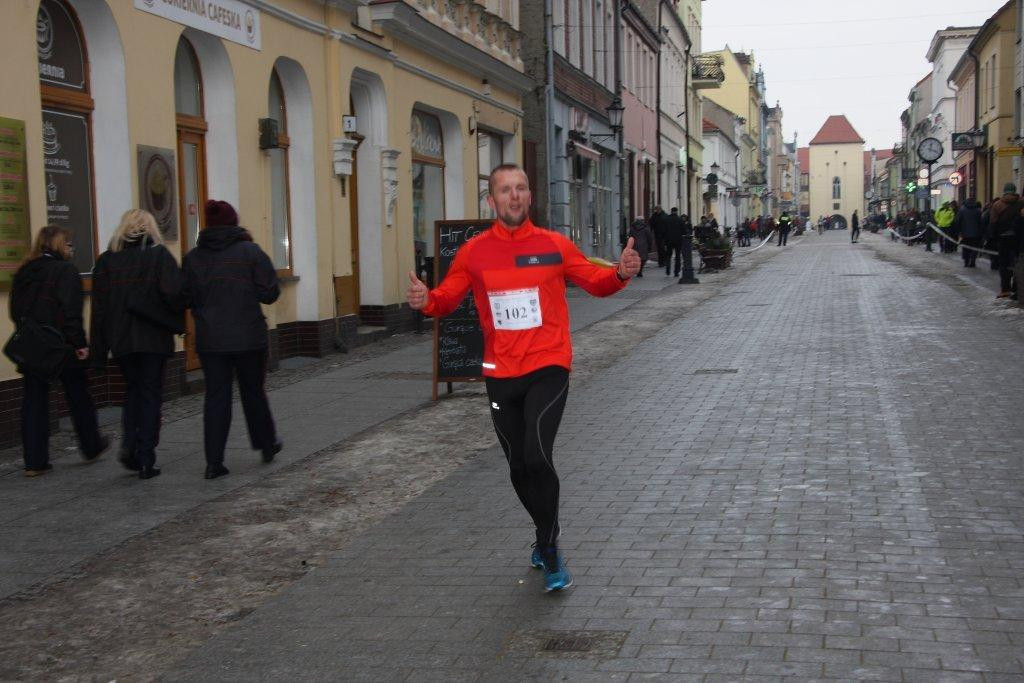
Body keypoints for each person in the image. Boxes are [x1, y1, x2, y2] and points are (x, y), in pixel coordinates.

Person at [406, 164, 640, 592]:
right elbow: (447, 298)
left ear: (530, 196)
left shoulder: (553, 245)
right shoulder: (473, 253)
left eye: (520, 188)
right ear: (491, 201)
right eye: (504, 190)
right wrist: (427, 300)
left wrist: (621, 272)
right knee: (517, 465)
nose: (513, 196)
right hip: (501, 372)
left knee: (536, 455)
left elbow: (595, 281)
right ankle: (543, 530)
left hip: (548, 365)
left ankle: (550, 548)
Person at [183, 200, 283, 479]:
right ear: (234, 222)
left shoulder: (193, 258)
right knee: (253, 392)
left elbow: (185, 297)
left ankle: (214, 461)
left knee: (216, 396)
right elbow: (269, 293)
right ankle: (266, 444)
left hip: (211, 339)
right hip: (249, 337)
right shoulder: (250, 252)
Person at [91, 209, 184, 479]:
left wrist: (98, 352)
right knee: (150, 394)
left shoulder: (106, 261)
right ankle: (145, 457)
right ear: (151, 228)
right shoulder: (159, 256)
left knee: (132, 391)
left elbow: (99, 310)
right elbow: (175, 295)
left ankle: (129, 446)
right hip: (153, 338)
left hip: (121, 340)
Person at [9, 225, 109, 476]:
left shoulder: (24, 271)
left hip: (33, 345)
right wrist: (80, 344)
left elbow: (15, 309)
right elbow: (70, 312)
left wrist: (29, 331)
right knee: (78, 395)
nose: (70, 248)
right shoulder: (65, 271)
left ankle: (34, 461)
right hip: (61, 344)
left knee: (34, 399)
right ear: (58, 245)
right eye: (68, 244)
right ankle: (91, 445)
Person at [988, 182, 1024, 298]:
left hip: (1003, 238)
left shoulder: (997, 205)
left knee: (1004, 264)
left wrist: (992, 238)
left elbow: (993, 223)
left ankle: (1005, 289)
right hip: (1018, 238)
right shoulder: (1021, 203)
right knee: (1018, 263)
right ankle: (1016, 288)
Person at [956, 198, 984, 268]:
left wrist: (959, 231)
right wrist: (981, 232)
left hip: (965, 233)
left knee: (966, 248)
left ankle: (966, 262)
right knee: (974, 248)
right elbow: (981, 222)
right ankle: (972, 261)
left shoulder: (962, 210)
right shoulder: (978, 210)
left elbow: (958, 221)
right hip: (976, 233)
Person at [663, 207, 685, 276]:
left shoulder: (666, 219)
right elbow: (684, 231)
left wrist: (664, 240)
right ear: (676, 211)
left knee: (668, 255)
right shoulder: (680, 220)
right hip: (678, 240)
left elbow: (664, 230)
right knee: (678, 256)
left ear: (671, 211)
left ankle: (668, 269)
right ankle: (676, 272)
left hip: (668, 240)